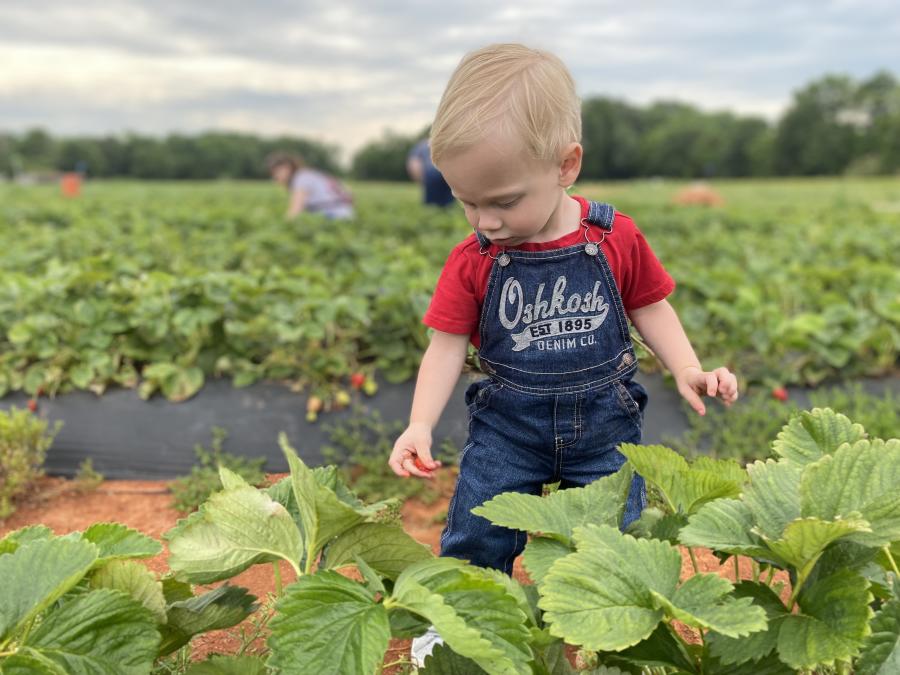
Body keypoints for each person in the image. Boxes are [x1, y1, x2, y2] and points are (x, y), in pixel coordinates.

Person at [387, 43, 739, 665]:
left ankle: (618, 635)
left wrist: (687, 366)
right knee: (479, 528)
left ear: (566, 165)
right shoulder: (475, 259)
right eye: (468, 201)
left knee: (616, 542)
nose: (485, 220)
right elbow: (444, 346)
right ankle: (457, 628)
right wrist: (419, 422)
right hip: (508, 427)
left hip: (605, 426)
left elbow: (650, 306)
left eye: (503, 200)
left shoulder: (614, 237)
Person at [266, 152, 354, 220]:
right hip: (345, 214)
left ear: (287, 167)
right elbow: (349, 191)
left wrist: (283, 226)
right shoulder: (307, 174)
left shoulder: (301, 178)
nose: (276, 177)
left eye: (276, 172)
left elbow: (295, 211)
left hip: (333, 216)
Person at [406, 138, 455, 207]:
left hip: (430, 174)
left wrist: (420, 179)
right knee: (448, 204)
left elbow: (414, 164)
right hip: (447, 172)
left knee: (431, 205)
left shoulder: (421, 145)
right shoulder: (446, 142)